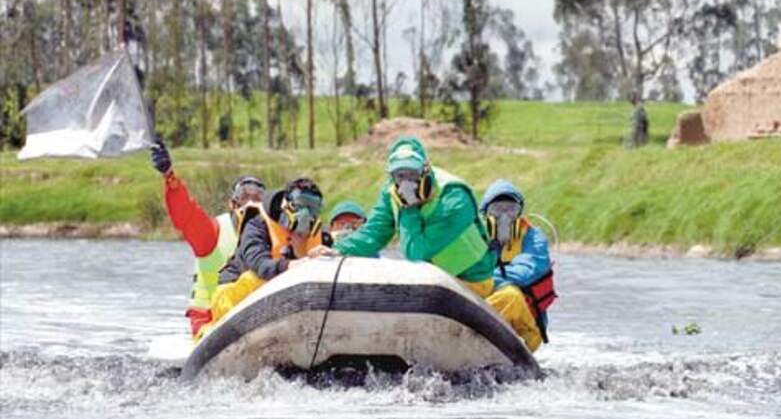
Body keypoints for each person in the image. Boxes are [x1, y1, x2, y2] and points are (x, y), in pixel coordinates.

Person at [311, 137, 496, 298]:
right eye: (400, 175)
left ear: (426, 170)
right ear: (391, 176)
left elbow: (417, 253)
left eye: (413, 174)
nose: (406, 183)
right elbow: (374, 232)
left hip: (473, 279)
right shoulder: (390, 190)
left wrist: (409, 209)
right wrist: (339, 249)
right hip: (435, 277)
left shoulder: (455, 197)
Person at [150, 137, 265, 338]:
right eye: (245, 195)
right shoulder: (213, 232)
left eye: (258, 197)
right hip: (210, 320)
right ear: (233, 204)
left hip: (254, 319)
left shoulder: (275, 233)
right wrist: (169, 176)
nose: (251, 202)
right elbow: (185, 214)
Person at [200, 178, 329, 338]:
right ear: (286, 205)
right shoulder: (256, 225)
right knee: (255, 278)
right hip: (235, 298)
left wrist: (330, 258)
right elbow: (259, 264)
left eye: (313, 209)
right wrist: (291, 266)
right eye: (301, 206)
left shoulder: (321, 236)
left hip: (282, 305)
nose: (307, 215)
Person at [480, 179, 557, 352]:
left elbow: (527, 270)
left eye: (511, 209)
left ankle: (470, 331)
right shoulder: (474, 237)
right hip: (485, 304)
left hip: (527, 325)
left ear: (519, 212)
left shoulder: (534, 237)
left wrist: (482, 278)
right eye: (497, 209)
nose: (504, 216)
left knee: (511, 296)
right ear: (485, 213)